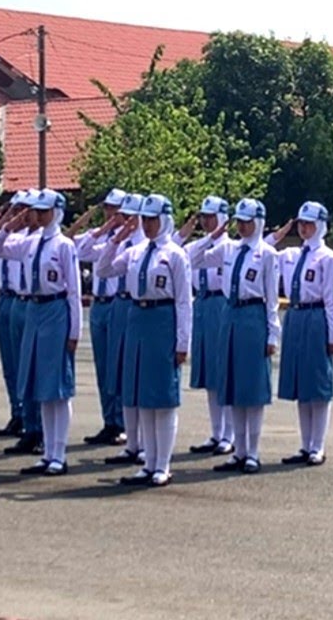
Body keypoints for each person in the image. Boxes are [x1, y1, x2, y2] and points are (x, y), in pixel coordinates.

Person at [96, 193, 193, 487]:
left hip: (162, 321)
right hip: (137, 320)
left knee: (162, 399)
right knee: (141, 397)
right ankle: (148, 462)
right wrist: (115, 240)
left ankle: (162, 465)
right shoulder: (136, 251)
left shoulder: (175, 254)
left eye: (153, 219)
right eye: (145, 220)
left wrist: (182, 343)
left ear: (165, 220)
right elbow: (103, 269)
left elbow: (184, 302)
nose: (149, 225)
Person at [0, 189, 82, 476]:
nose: (37, 215)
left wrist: (74, 331)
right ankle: (48, 452)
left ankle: (59, 452)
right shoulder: (29, 242)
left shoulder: (64, 245)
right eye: (35, 211)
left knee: (57, 388)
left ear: (56, 212)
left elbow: (74, 291)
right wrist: (9, 225)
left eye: (43, 211)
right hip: (34, 310)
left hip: (55, 311)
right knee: (40, 385)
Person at [192, 198, 281, 473]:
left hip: (253, 316)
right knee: (231, 385)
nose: (243, 227)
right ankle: (238, 451)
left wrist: (272, 334)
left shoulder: (267, 254)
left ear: (258, 223)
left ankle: (252, 452)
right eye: (239, 222)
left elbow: (272, 298)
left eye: (247, 222)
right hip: (229, 315)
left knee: (251, 389)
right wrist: (211, 237)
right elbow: (192, 259)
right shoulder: (229, 249)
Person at [0, 190, 47, 456]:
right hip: (7, 299)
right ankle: (18, 413)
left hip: (27, 301)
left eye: (26, 208)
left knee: (30, 367)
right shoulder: (11, 237)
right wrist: (2, 222)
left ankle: (36, 426)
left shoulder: (37, 240)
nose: (22, 214)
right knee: (12, 365)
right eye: (16, 208)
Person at [276, 203, 333, 467]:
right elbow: (265, 249)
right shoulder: (291, 255)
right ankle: (305, 445)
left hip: (316, 317)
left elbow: (331, 299)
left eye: (309, 223)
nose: (304, 228)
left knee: (318, 386)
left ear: (321, 225)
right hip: (296, 315)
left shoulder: (328, 258)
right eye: (301, 223)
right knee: (301, 385)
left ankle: (318, 446)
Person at [68, 188, 129, 446]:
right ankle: (109, 421)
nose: (110, 213)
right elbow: (77, 248)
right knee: (102, 367)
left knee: (118, 366)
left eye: (114, 209)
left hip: (118, 303)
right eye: (107, 208)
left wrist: (112, 233)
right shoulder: (102, 237)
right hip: (99, 304)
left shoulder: (128, 240)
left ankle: (123, 422)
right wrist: (98, 226)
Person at [184, 196, 236, 456]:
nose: (206, 221)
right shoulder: (198, 247)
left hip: (220, 304)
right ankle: (216, 432)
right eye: (203, 217)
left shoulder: (230, 248)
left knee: (223, 371)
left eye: (211, 217)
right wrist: (206, 238)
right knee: (208, 374)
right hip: (202, 305)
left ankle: (229, 434)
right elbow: (188, 260)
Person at [100, 193, 149, 467]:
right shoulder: (123, 244)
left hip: (138, 308)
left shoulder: (145, 246)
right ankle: (131, 443)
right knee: (123, 376)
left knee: (141, 379)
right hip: (120, 306)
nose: (126, 220)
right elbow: (103, 270)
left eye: (132, 216)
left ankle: (143, 442)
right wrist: (116, 238)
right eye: (124, 214)